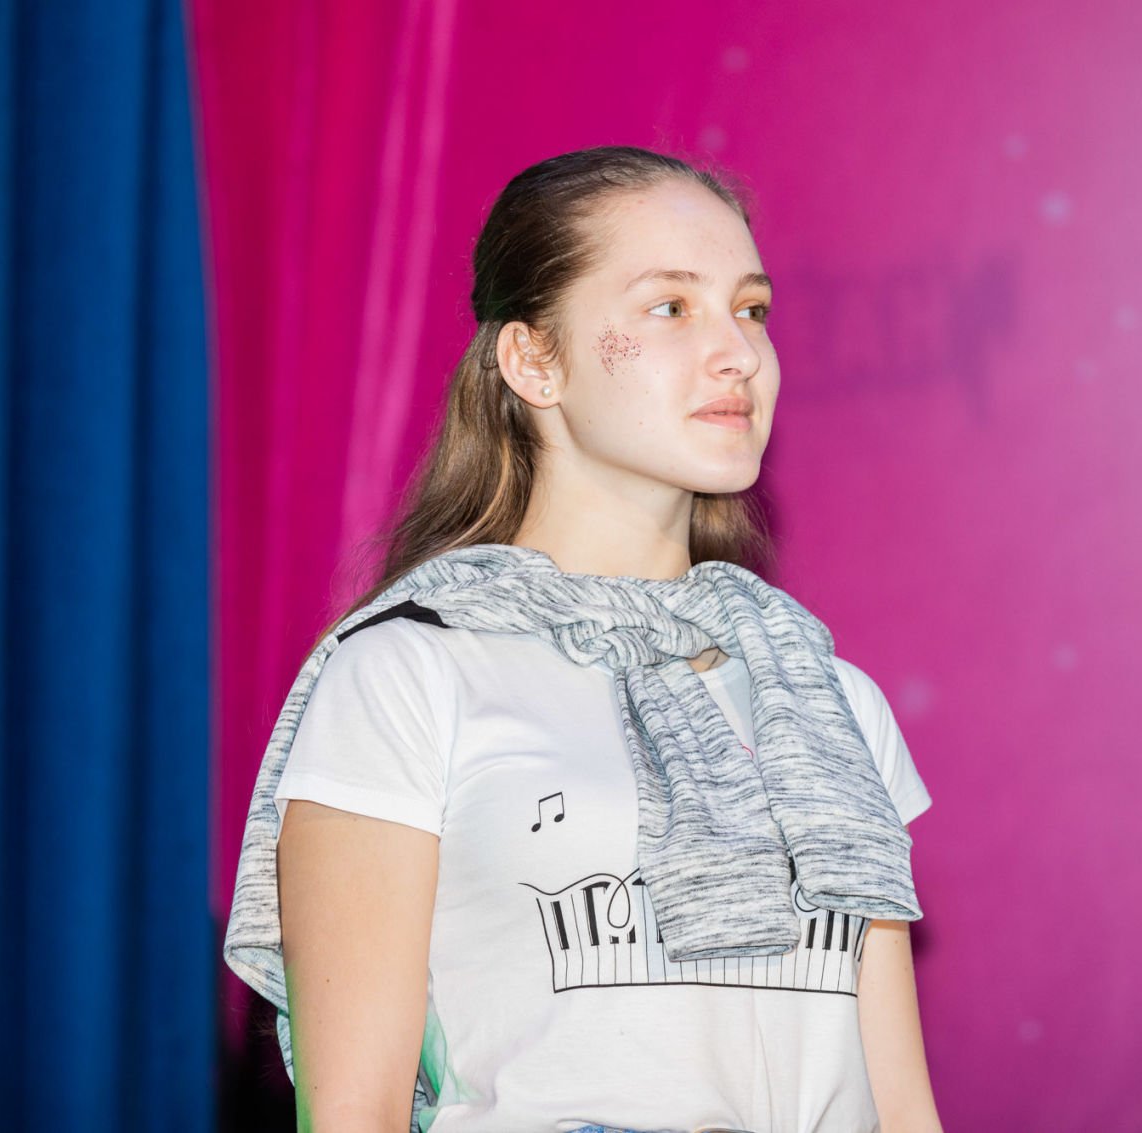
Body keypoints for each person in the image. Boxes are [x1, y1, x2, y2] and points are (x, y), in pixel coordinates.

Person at [223, 145, 942, 1133]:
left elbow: (900, 1106)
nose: (737, 351)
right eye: (670, 306)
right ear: (533, 359)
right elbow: (354, 1115)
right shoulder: (407, 673)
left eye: (751, 309)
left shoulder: (825, 698)